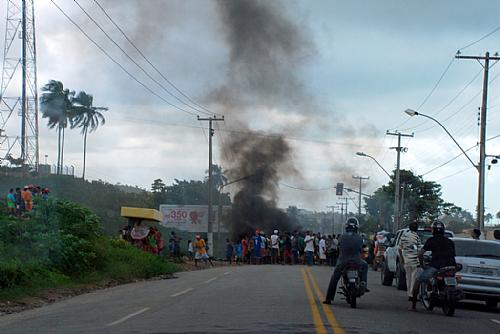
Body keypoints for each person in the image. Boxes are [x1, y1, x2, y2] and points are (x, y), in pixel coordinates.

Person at [323, 217, 369, 305]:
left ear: (347, 227)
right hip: (357, 261)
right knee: (365, 265)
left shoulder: (341, 237)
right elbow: (363, 247)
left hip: (343, 261)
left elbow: (337, 246)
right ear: (357, 227)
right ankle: (363, 283)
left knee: (335, 278)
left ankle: (329, 298)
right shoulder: (360, 238)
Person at [411, 221, 456, 310]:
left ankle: (413, 306)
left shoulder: (431, 240)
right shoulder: (450, 242)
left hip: (436, 266)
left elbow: (420, 254)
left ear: (433, 231)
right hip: (451, 266)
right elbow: (453, 255)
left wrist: (421, 264)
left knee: (418, 280)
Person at [398, 221, 422, 306]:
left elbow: (399, 248)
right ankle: (412, 294)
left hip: (406, 260)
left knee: (408, 278)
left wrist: (401, 258)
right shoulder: (417, 237)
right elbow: (419, 250)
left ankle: (409, 293)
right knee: (414, 278)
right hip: (415, 261)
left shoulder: (404, 236)